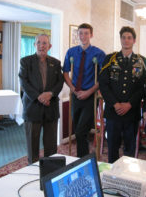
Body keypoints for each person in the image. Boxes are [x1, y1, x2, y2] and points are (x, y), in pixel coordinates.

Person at [99, 26, 146, 163]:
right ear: (120, 39)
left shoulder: (141, 61)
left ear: (134, 40)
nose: (126, 40)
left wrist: (130, 104)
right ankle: (112, 175)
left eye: (129, 38)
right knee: (112, 146)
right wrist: (115, 104)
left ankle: (128, 176)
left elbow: (143, 87)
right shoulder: (110, 59)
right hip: (113, 110)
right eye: (123, 37)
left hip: (131, 111)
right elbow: (103, 84)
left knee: (130, 147)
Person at [19, 34, 64, 164]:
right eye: (38, 42)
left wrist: (50, 94)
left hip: (51, 109)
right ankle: (32, 170)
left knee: (51, 147)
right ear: (34, 45)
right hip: (32, 108)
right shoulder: (25, 61)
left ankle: (50, 172)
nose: (41, 46)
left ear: (49, 46)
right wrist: (39, 97)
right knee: (32, 147)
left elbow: (59, 83)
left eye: (44, 43)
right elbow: (24, 82)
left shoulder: (56, 63)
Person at [63, 23, 105, 157]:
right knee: (79, 130)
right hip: (75, 95)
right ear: (77, 35)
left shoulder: (99, 54)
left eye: (86, 33)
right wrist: (73, 89)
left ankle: (83, 159)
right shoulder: (71, 52)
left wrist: (89, 92)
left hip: (90, 96)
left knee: (81, 131)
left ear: (91, 35)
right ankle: (85, 158)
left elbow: (102, 77)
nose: (83, 36)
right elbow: (65, 72)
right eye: (80, 33)